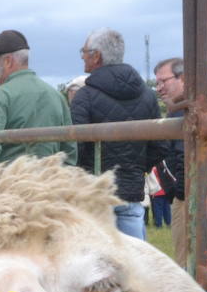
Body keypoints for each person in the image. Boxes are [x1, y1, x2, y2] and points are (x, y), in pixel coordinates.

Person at [69, 28, 162, 240]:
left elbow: (77, 147)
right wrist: (136, 168)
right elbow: (160, 145)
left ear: (96, 56)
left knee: (97, 264)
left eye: (84, 51)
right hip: (131, 193)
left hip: (96, 194)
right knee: (136, 264)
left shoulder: (85, 96)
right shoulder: (148, 96)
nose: (82, 56)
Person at [152, 56, 207, 265]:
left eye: (164, 81)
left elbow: (181, 156)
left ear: (184, 79)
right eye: (157, 83)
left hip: (197, 188)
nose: (159, 88)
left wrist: (179, 194)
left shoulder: (183, 111)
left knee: (187, 263)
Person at [0, 29, 76, 173]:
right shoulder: (56, 96)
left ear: (8, 61)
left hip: (11, 187)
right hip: (50, 187)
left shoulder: (0, 97)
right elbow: (69, 150)